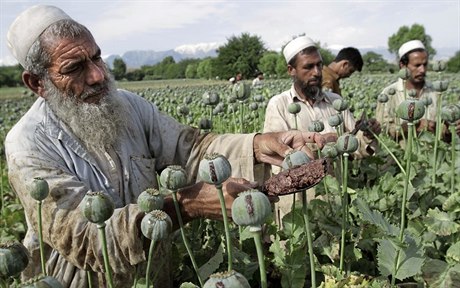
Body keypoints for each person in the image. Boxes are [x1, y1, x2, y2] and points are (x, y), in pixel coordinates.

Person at [5, 5, 326, 288]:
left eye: (97, 57)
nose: (97, 75)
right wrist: (185, 206)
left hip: (154, 274)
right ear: (37, 83)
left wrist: (258, 145)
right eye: (74, 67)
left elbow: (192, 149)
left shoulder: (127, 105)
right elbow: (86, 239)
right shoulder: (28, 144)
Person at [263, 36, 380, 224]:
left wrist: (366, 135)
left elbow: (355, 148)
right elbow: (278, 159)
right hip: (297, 210)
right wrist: (323, 144)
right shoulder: (279, 105)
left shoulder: (335, 102)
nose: (317, 72)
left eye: (319, 65)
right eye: (308, 67)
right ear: (291, 70)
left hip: (334, 204)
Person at [376, 40, 460, 140]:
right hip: (399, 154)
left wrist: (450, 128)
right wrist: (410, 126)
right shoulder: (388, 94)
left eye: (425, 65)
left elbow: (445, 131)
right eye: (417, 65)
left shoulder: (436, 92)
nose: (422, 70)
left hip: (432, 153)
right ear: (402, 65)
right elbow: (381, 131)